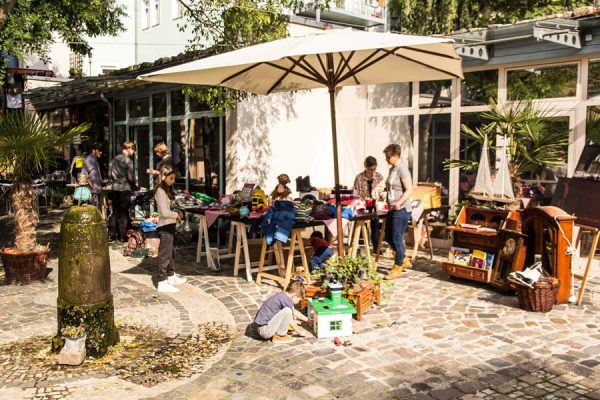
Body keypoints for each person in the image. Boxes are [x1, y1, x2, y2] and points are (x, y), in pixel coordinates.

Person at [154, 165, 187, 293]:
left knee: (171, 252)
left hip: (170, 224)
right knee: (165, 254)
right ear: (164, 177)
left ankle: (170, 275)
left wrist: (177, 211)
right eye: (171, 178)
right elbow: (163, 212)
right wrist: (176, 215)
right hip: (165, 225)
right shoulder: (160, 190)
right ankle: (162, 282)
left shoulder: (166, 189)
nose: (173, 181)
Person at [383, 144, 413, 280]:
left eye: (388, 157)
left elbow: (409, 189)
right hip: (391, 208)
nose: (386, 159)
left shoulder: (403, 169)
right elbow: (390, 188)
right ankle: (404, 258)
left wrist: (399, 203)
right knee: (388, 236)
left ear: (396, 155)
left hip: (401, 209)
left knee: (397, 237)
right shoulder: (392, 169)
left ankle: (398, 266)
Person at [353, 156, 385, 249]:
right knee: (359, 224)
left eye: (374, 169)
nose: (372, 172)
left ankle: (376, 247)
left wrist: (384, 196)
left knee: (375, 225)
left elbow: (382, 191)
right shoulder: (359, 178)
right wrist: (361, 202)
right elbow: (355, 193)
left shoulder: (379, 177)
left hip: (375, 204)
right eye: (370, 169)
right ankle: (358, 247)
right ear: (365, 167)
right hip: (362, 205)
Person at [108, 141, 137, 242]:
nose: (133, 152)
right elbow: (130, 177)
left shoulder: (114, 159)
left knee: (115, 211)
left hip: (115, 187)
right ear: (129, 148)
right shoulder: (128, 161)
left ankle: (111, 234)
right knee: (124, 212)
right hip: (125, 188)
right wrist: (134, 184)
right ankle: (122, 235)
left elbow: (109, 173)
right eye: (133, 150)